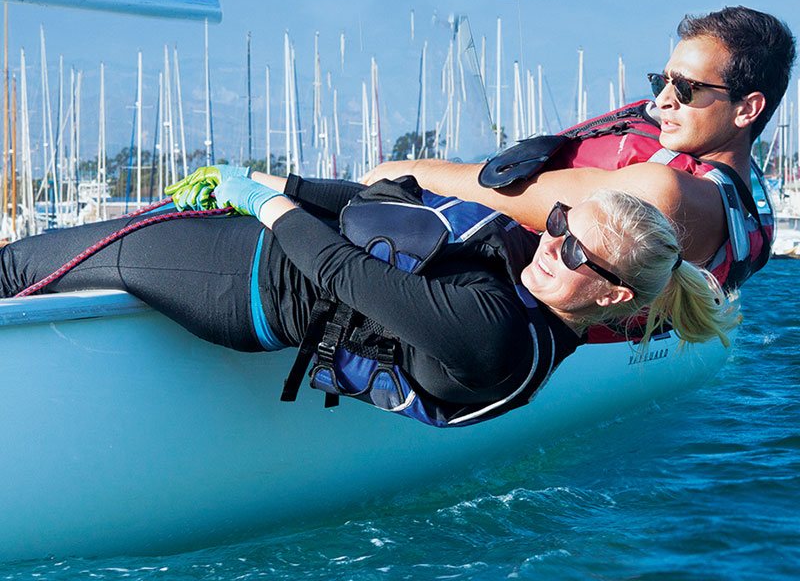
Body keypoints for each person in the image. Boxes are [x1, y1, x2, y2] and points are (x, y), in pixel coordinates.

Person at [0, 167, 735, 428]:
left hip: (246, 278)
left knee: (14, 266)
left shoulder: (497, 335)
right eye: (561, 224)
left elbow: (346, 276)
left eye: (575, 250)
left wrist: (258, 201)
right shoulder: (538, 290)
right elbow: (403, 204)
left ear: (610, 292)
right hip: (262, 247)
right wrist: (283, 185)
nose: (552, 243)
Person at [362, 6, 796, 293]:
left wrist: (392, 171)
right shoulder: (736, 194)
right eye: (660, 81)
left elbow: (500, 191)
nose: (663, 100)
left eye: (686, 88)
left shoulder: (667, 193)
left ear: (747, 110)